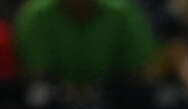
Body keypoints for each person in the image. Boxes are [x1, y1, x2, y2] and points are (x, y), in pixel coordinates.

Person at [14, 0, 158, 84]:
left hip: (114, 100)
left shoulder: (121, 11)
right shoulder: (37, 15)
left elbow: (144, 68)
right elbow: (35, 73)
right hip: (54, 104)